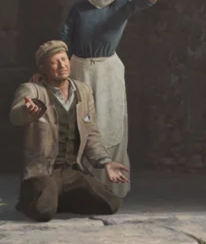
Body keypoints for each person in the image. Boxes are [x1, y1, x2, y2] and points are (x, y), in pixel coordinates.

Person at [61, 0, 162, 196]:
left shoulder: (122, 5)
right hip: (79, 69)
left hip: (108, 71)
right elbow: (64, 39)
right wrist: (56, 69)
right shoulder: (79, 9)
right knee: (80, 125)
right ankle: (80, 187)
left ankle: (111, 188)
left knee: (110, 123)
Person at [14, 39, 129, 221]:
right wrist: (29, 112)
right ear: (43, 68)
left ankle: (59, 197)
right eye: (54, 62)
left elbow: (91, 134)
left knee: (111, 204)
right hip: (45, 170)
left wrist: (106, 162)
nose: (62, 65)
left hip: (72, 170)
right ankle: (35, 196)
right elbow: (16, 115)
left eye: (64, 59)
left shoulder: (83, 91)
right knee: (43, 212)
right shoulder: (32, 90)